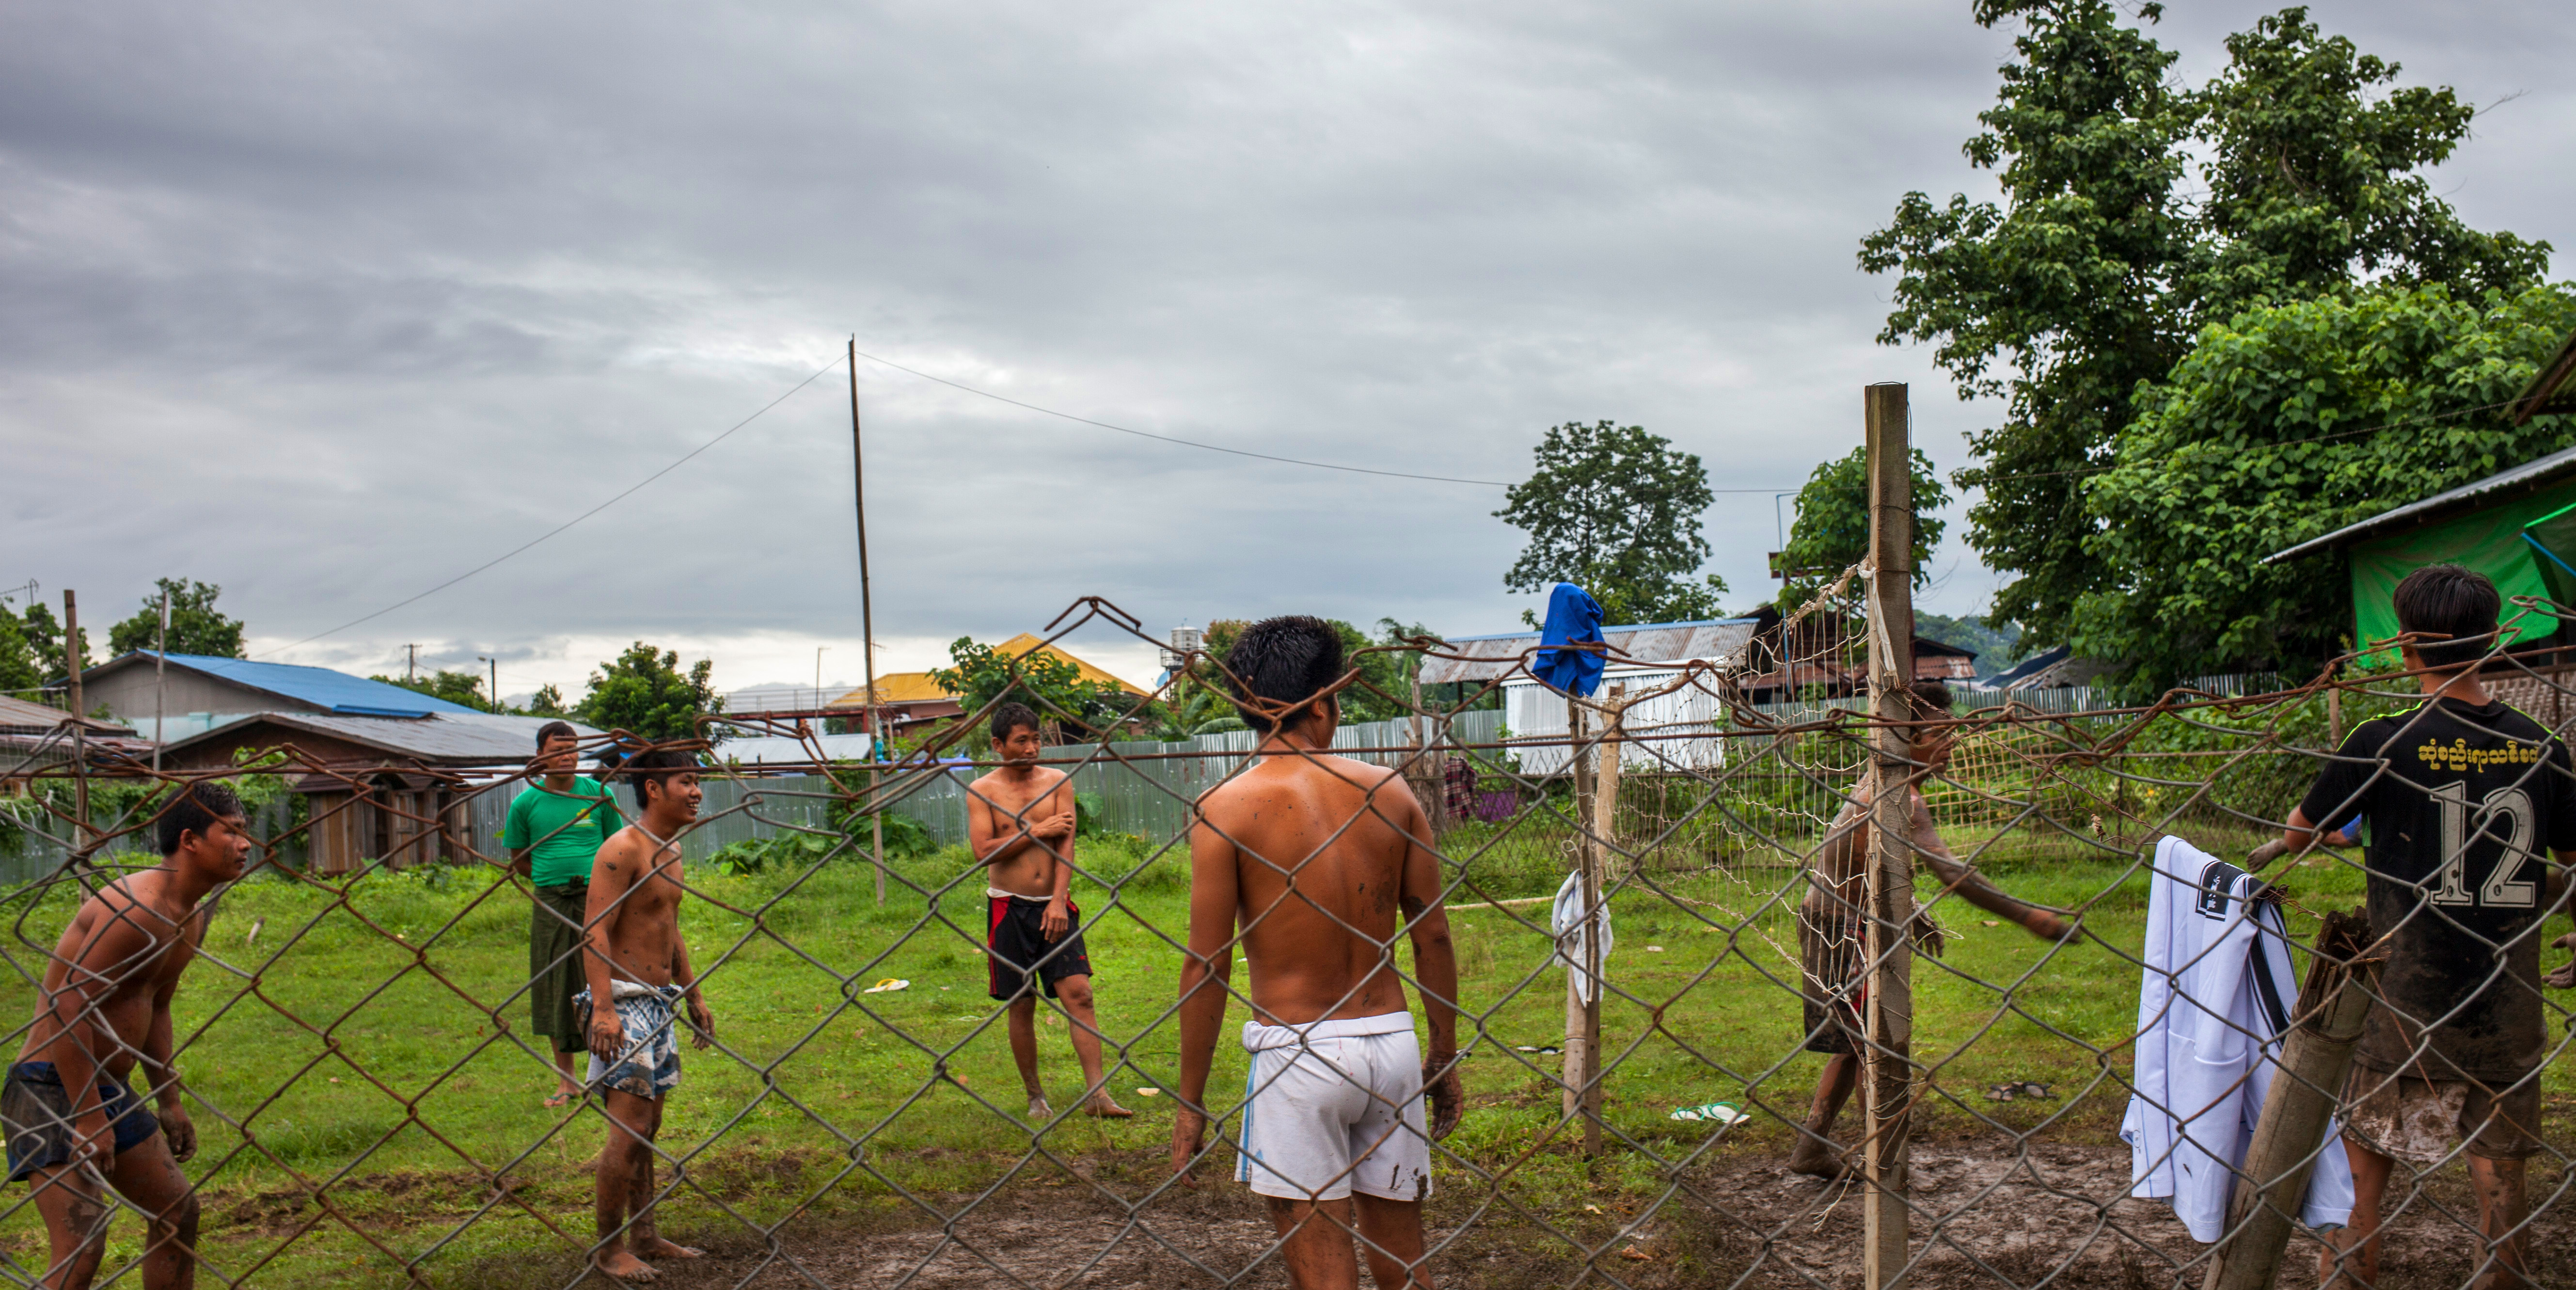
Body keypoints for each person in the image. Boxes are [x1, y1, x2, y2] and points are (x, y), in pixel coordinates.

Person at [2282, 565, 2576, 1290]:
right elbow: (2568, 854)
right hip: (2504, 1000)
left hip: (2405, 1002)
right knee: (2498, 1174)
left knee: (2364, 1170)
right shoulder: (2541, 744)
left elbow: (2296, 834)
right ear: (2491, 641)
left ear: (2406, 645)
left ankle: (2348, 1280)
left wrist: (2350, 827)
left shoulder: (2384, 739)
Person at [1169, 616, 1462, 1290]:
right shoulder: (1388, 790)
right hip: (1387, 1043)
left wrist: (1190, 1100)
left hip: (1296, 1050)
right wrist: (1441, 1051)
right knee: (1402, 1254)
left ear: (1246, 707)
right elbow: (1432, 933)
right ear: (1326, 701)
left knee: (1321, 1264)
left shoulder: (1224, 807)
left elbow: (1206, 964)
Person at [1786, 679, 2079, 1179]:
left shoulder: (1887, 784)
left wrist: (1911, 909)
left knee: (1856, 1041)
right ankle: (1884, 1161)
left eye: (1951, 732)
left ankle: (1812, 1147)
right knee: (1873, 1044)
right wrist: (2035, 920)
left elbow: (1874, 862)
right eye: (1937, 733)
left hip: (1843, 921)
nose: (1950, 744)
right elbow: (1952, 872)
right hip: (1841, 927)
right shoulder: (1899, 796)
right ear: (1904, 739)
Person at [5, 781, 250, 1290]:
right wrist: (90, 1116)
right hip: (51, 1086)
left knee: (177, 1213)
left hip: (108, 1088)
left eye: (245, 832)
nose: (246, 844)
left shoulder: (191, 916)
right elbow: (68, 1004)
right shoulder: (135, 909)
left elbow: (156, 1005)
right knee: (83, 1244)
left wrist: (169, 1098)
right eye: (231, 832)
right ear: (190, 840)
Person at [578, 747, 717, 1283]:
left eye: (697, 780)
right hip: (623, 1002)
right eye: (686, 780)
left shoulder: (671, 849)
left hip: (658, 1002)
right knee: (628, 1126)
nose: (697, 791)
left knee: (650, 1124)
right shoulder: (622, 850)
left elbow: (668, 926)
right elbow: (595, 929)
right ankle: (609, 1249)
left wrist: (694, 994)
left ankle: (646, 1235)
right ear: (653, 788)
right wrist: (605, 1011)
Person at [965, 702, 1130, 1120]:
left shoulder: (1059, 781)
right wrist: (1037, 830)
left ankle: (1098, 1094)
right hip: (1007, 909)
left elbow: (1066, 843)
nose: (1032, 748)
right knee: (1022, 1002)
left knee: (1081, 995)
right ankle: (1035, 1096)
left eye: (1036, 739)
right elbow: (984, 851)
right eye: (1021, 741)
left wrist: (1059, 899)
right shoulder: (982, 790)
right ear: (999, 745)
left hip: (1055, 906)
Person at [505, 721, 619, 1107]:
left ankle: (606, 1073)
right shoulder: (525, 803)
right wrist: (551, 879)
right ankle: (566, 1081)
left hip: (598, 900)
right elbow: (519, 859)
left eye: (572, 749)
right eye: (557, 750)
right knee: (557, 984)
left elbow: (617, 848)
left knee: (604, 979)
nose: (566, 756)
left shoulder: (599, 795)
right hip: (551, 902)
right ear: (541, 755)